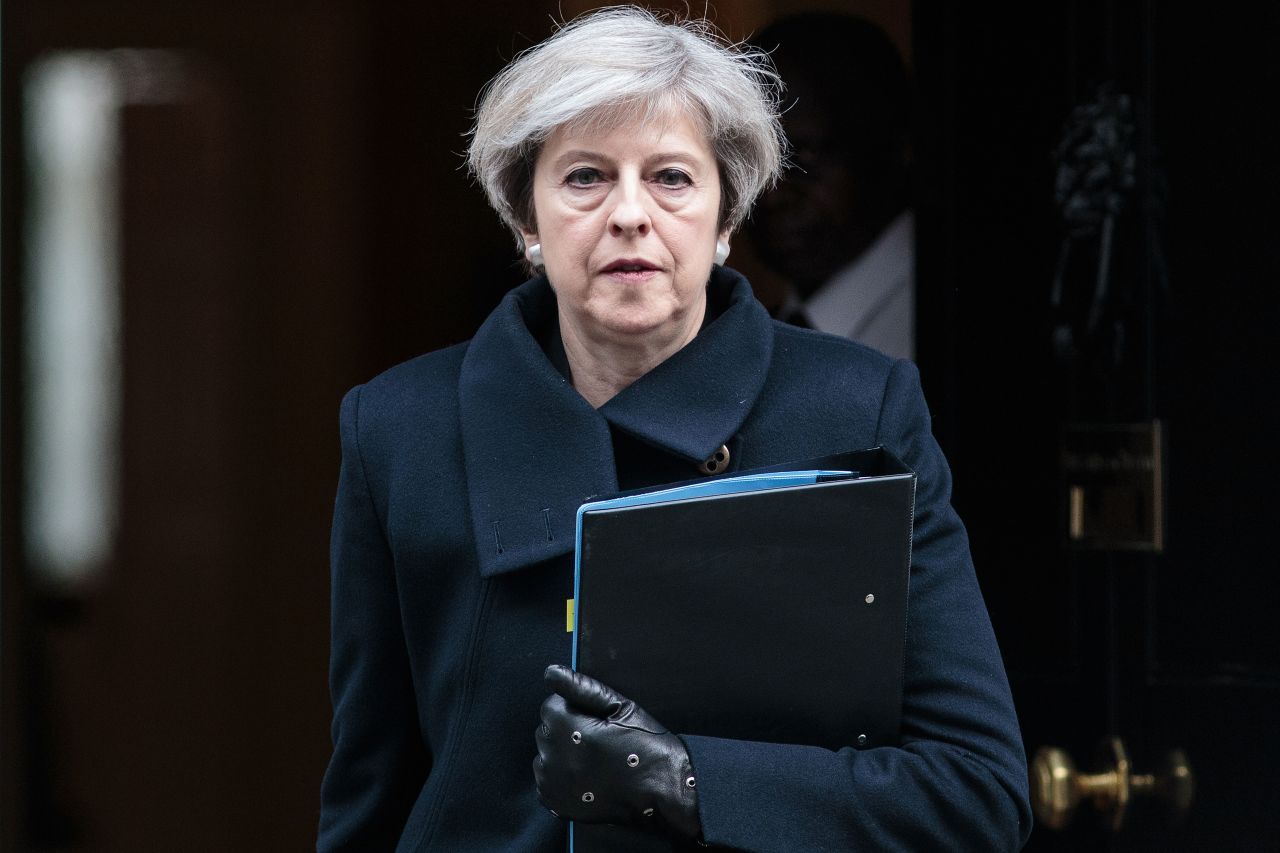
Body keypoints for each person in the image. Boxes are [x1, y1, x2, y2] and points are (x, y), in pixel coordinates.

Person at [318, 7, 1030, 851]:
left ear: (728, 219)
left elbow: (978, 790)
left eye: (672, 177)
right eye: (584, 176)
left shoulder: (858, 406)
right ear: (524, 218)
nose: (629, 213)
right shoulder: (399, 428)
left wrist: (688, 782)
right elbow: (369, 799)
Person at [747, 13, 916, 360]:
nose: (771, 195)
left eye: (806, 156)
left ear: (895, 145)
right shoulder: (762, 330)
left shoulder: (934, 332)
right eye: (753, 162)